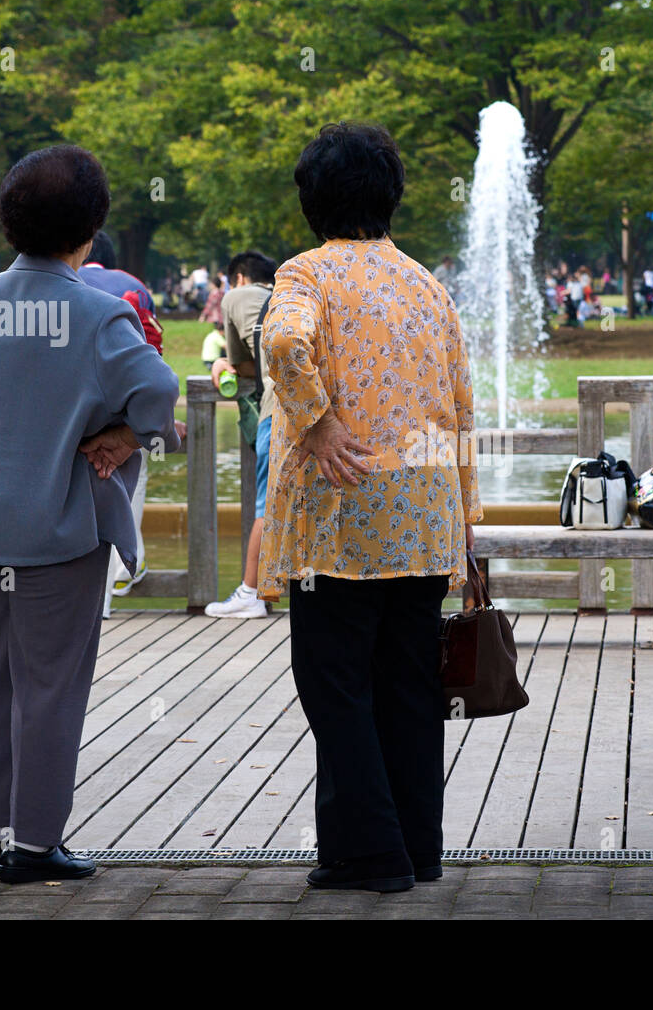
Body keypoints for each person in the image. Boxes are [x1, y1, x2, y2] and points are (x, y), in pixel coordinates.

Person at [0, 145, 183, 883]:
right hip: (55, 525)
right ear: (90, 232)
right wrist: (124, 434)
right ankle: (33, 844)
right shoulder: (100, 315)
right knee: (50, 687)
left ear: (9, 222)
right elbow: (160, 397)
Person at [257, 121, 480, 892]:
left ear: (313, 198)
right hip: (423, 518)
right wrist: (465, 517)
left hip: (340, 523)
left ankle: (368, 854)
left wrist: (318, 422)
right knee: (407, 692)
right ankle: (417, 848)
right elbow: (460, 409)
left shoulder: (306, 275)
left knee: (336, 686)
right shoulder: (427, 284)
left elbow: (285, 346)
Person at [78, 229, 162, 608]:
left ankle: (93, 594)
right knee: (129, 486)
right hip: (125, 411)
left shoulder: (65, 282)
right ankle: (122, 573)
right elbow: (152, 353)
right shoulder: (134, 286)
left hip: (73, 412)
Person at [206, 249, 278, 620]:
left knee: (268, 506)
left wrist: (220, 364)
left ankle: (252, 592)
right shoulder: (287, 295)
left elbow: (245, 364)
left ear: (238, 278)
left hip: (277, 412)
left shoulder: (237, 297)